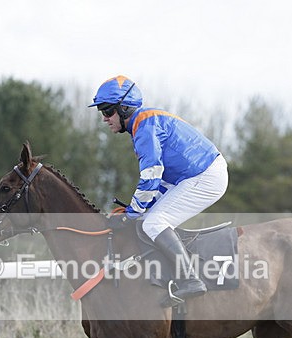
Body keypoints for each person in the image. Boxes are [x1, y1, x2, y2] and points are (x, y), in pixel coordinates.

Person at [89, 75, 229, 305]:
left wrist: (133, 212)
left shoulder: (144, 126)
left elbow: (151, 175)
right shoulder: (143, 123)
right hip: (188, 176)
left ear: (124, 109)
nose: (104, 119)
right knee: (147, 218)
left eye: (107, 111)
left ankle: (190, 280)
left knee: (152, 222)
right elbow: (158, 180)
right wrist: (133, 211)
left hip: (204, 175)